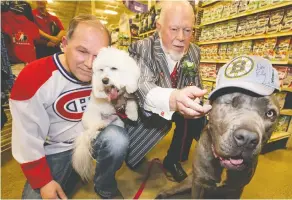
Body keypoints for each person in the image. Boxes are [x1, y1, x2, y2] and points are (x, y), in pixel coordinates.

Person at [10, 14, 127, 199]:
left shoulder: (106, 73)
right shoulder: (32, 78)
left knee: (117, 139)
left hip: (92, 138)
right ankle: (75, 172)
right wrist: (43, 181)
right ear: (64, 43)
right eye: (82, 51)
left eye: (98, 55)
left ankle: (105, 185)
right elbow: (26, 138)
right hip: (55, 151)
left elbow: (121, 111)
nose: (90, 64)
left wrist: (119, 101)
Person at [126, 1, 212, 182]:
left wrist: (198, 103)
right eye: (174, 29)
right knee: (129, 156)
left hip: (180, 108)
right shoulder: (141, 48)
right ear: (159, 27)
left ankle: (173, 160)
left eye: (188, 30)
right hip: (147, 111)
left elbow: (195, 82)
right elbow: (143, 86)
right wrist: (173, 99)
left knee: (195, 118)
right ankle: (133, 148)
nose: (181, 37)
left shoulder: (194, 51)